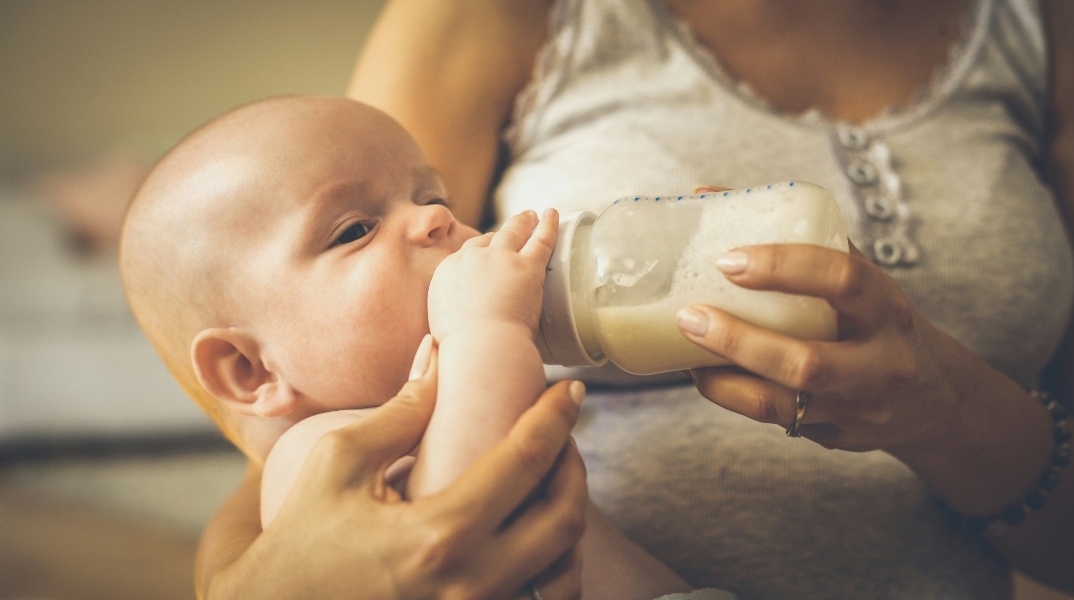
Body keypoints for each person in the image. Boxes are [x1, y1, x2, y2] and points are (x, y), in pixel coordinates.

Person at [337, 0, 1072, 598]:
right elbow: (321, 381)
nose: (433, 219)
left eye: (433, 200)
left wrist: (946, 407)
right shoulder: (492, 15)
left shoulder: (1038, 30)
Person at [119, 95, 728, 600]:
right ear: (251, 370)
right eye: (354, 230)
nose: (434, 222)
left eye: (433, 198)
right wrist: (485, 327)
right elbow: (458, 514)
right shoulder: (316, 458)